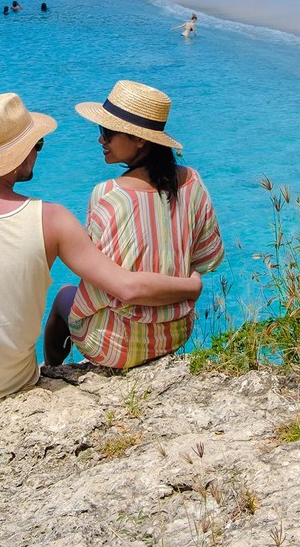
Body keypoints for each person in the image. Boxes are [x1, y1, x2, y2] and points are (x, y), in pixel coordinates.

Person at [0, 93, 201, 419]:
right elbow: (127, 287)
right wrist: (191, 287)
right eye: (37, 145)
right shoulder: (54, 221)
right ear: (22, 154)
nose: (38, 153)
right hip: (14, 382)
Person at [43, 80, 223, 369]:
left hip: (117, 345)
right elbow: (204, 259)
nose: (101, 140)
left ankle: (52, 370)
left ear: (139, 139)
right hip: (174, 334)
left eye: (107, 132)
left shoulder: (109, 194)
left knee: (64, 296)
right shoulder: (192, 182)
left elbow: (98, 272)